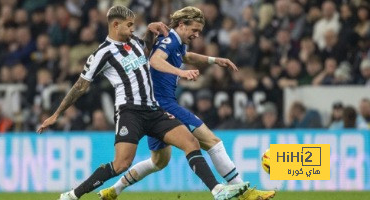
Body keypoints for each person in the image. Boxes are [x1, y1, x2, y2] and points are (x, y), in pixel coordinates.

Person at [37, 6, 249, 200]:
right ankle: (73, 195)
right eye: (129, 25)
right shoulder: (102, 53)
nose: (132, 29)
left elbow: (150, 51)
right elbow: (80, 86)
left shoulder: (136, 42)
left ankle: (217, 190)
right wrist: (57, 114)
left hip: (154, 109)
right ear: (115, 25)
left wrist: (149, 31)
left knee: (191, 143)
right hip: (130, 112)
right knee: (121, 164)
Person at [100, 6, 275, 200]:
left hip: (154, 106)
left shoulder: (177, 41)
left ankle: (113, 190)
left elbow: (185, 56)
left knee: (159, 162)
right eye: (194, 30)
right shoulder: (170, 40)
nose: (197, 35)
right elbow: (155, 61)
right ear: (182, 25)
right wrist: (181, 73)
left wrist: (214, 60)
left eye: (199, 31)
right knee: (212, 142)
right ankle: (245, 193)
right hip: (164, 103)